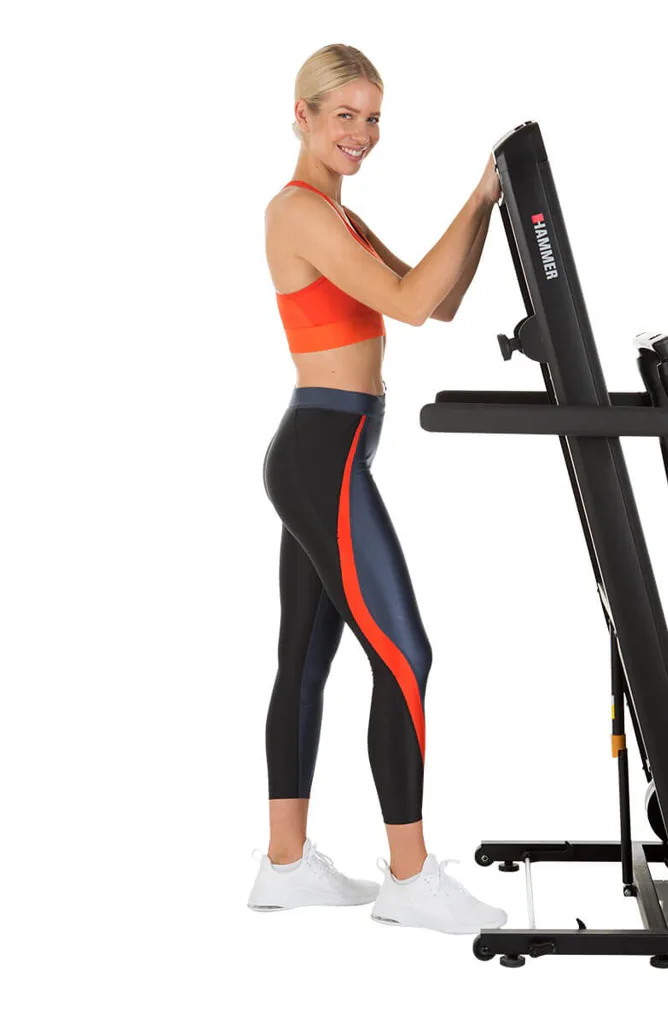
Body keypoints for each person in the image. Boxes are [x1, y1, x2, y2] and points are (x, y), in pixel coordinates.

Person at [245, 43, 507, 935]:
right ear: (303, 116)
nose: (360, 132)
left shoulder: (338, 216)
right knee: (404, 655)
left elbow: (438, 300)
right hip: (324, 453)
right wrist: (475, 194)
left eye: (373, 117)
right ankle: (410, 876)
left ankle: (285, 865)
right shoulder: (298, 211)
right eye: (344, 115)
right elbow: (409, 302)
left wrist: (485, 209)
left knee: (305, 661)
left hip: (325, 451)